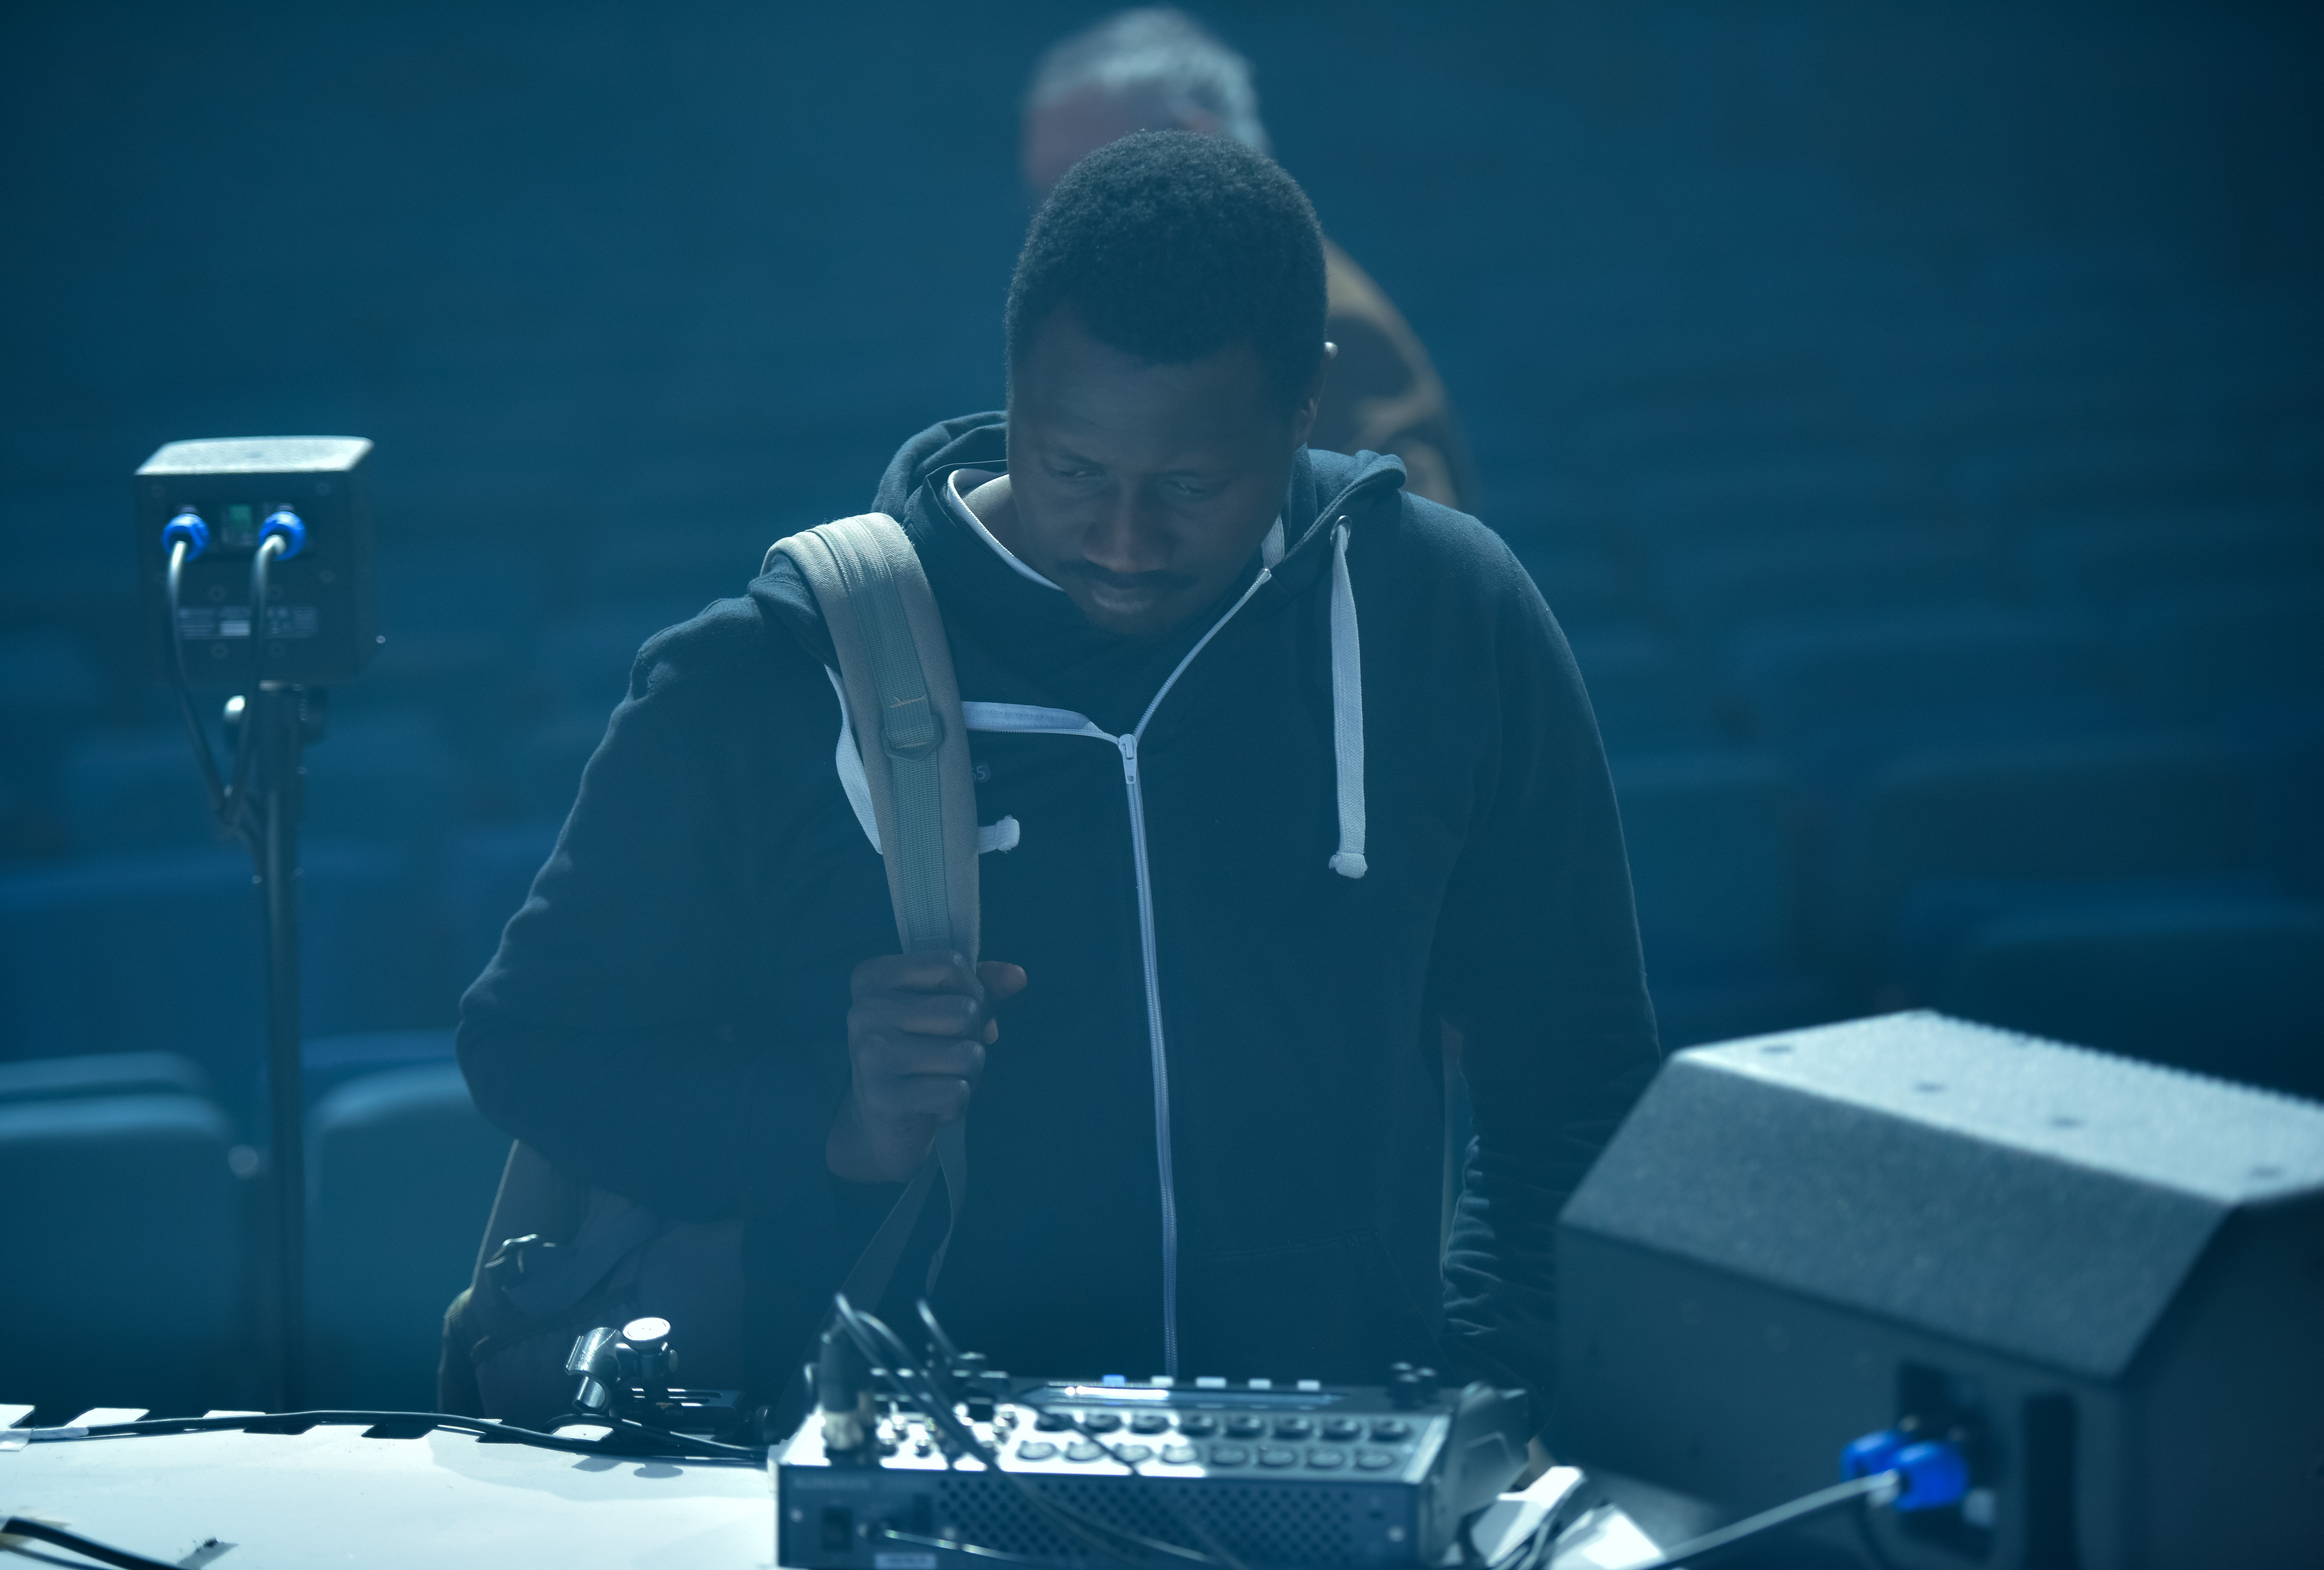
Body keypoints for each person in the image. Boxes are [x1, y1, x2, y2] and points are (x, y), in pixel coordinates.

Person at [458, 132, 1654, 1419]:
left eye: (1191, 484)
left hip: (1346, 1461)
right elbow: (532, 1049)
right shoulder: (768, 673)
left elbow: (1577, 1074)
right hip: (899, 1470)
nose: (1125, 542)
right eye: (1074, 470)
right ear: (1013, 385)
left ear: (1309, 399)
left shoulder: (1447, 613)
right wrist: (827, 1125)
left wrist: (1487, 1391)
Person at [1025, 8, 1483, 514]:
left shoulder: (1326, 321)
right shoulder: (1172, 317)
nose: (1056, 222)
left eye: (1082, 179)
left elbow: (1410, 538)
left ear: (1198, 145)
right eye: (1047, 194)